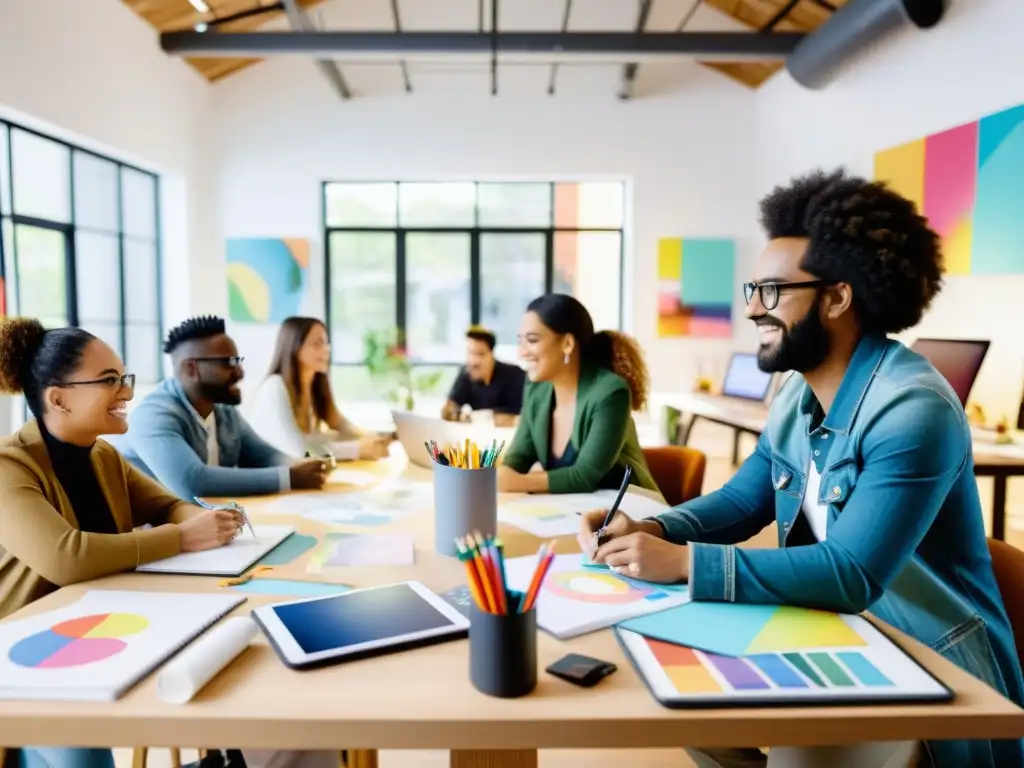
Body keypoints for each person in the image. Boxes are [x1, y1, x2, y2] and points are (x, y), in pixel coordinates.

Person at [580, 169, 1024, 768]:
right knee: (680, 701)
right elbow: (742, 503)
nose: (755, 310)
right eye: (753, 291)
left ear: (838, 296)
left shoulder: (914, 409)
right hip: (841, 632)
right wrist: (653, 530)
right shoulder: (796, 395)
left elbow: (851, 575)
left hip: (926, 662)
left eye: (774, 292)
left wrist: (685, 563)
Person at [0, 317, 244, 768]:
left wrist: (198, 523)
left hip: (103, 632)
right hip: (28, 659)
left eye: (124, 377)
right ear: (59, 399)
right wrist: (183, 537)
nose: (128, 392)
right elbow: (65, 558)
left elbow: (169, 506)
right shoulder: (7, 467)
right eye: (110, 381)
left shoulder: (103, 454)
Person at [115, 315, 329, 500]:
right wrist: (289, 477)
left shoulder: (223, 411)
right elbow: (193, 482)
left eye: (238, 361)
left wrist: (304, 466)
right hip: (149, 536)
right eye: (228, 363)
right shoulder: (153, 417)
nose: (240, 373)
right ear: (192, 369)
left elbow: (263, 456)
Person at [497, 294, 657, 495]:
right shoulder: (537, 389)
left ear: (567, 344)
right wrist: (502, 475)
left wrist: (515, 482)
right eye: (520, 341)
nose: (521, 353)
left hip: (630, 514)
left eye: (532, 340)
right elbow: (518, 458)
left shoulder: (610, 392)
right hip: (573, 512)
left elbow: (585, 477)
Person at [247, 316, 390, 461]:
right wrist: (357, 449)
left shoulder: (314, 389)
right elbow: (300, 452)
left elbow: (342, 427)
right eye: (317, 344)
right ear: (295, 348)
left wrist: (375, 439)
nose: (326, 349)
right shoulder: (274, 386)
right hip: (263, 480)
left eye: (327, 343)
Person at [441, 325, 526, 427]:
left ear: (492, 354)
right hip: (480, 437)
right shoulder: (466, 373)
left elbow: (516, 420)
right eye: (470, 353)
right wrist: (452, 411)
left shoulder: (514, 376)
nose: (474, 361)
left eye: (480, 354)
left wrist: (473, 418)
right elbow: (449, 408)